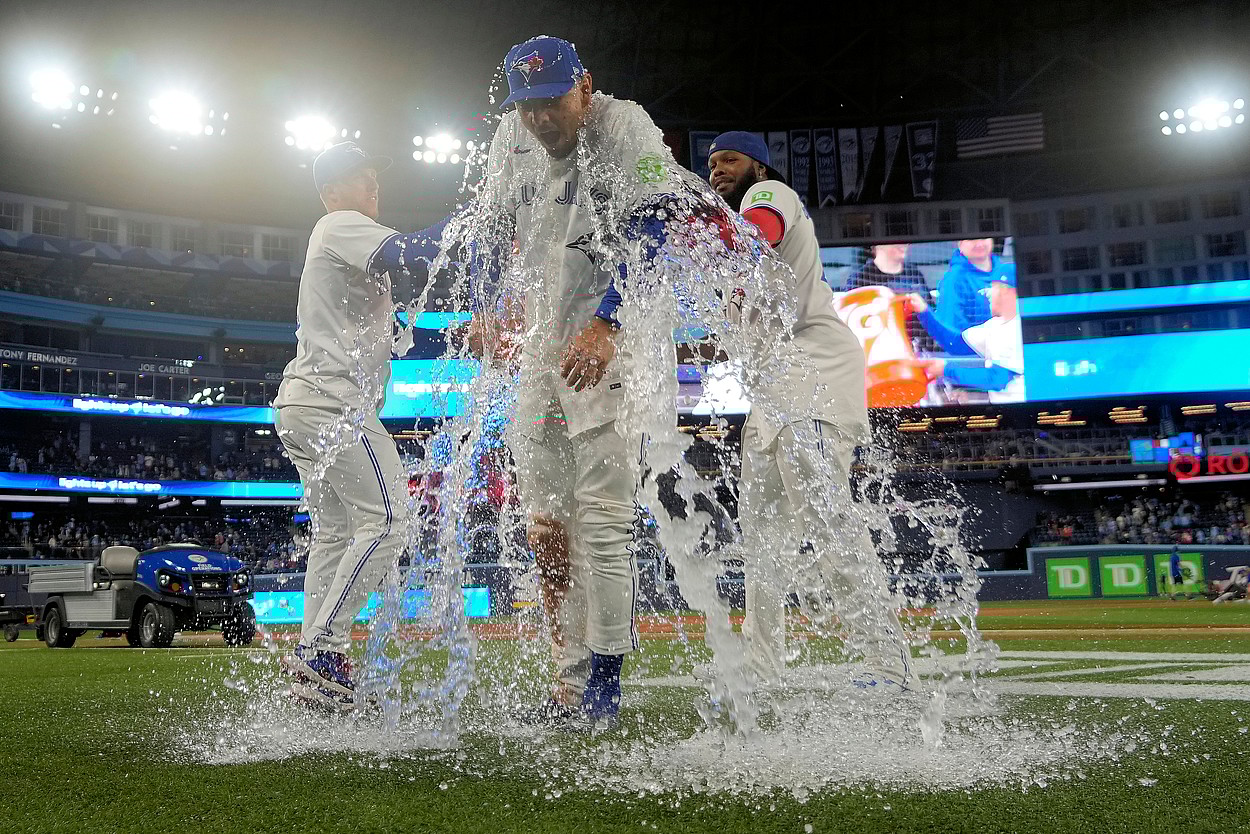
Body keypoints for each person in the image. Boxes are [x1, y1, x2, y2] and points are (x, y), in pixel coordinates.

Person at [472, 35, 683, 727]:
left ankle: (604, 688)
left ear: (585, 87)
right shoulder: (512, 136)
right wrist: (483, 306)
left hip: (609, 344)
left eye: (551, 101)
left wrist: (609, 322)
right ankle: (566, 687)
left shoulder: (626, 126)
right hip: (542, 347)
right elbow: (485, 230)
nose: (539, 118)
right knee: (546, 527)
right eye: (527, 105)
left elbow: (658, 222)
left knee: (603, 522)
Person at [706, 130, 911, 691]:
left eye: (731, 159)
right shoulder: (728, 241)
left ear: (760, 168)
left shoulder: (768, 198)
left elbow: (760, 235)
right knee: (763, 536)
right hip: (776, 389)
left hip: (814, 371)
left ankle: (888, 663)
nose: (718, 169)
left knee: (825, 515)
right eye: (712, 162)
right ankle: (762, 666)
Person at [274, 141, 446, 711]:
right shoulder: (340, 224)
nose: (372, 184)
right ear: (329, 193)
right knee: (390, 519)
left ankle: (312, 662)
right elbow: (414, 252)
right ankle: (324, 647)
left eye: (373, 175)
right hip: (333, 404)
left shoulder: (344, 236)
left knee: (336, 532)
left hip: (304, 403)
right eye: (358, 177)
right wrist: (484, 220)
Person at [907, 270, 1025, 403]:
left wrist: (946, 369)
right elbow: (955, 344)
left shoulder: (1017, 327)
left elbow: (996, 379)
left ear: (1008, 292)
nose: (988, 294)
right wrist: (923, 311)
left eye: (993, 287)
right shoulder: (995, 325)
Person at [930, 238, 1015, 343]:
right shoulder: (953, 279)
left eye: (983, 238)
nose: (979, 244)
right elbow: (951, 330)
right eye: (971, 239)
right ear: (960, 244)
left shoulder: (1007, 272)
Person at [842, 243, 928, 295]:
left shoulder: (915, 274)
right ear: (879, 244)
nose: (904, 245)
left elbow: (930, 312)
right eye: (896, 239)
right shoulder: (859, 279)